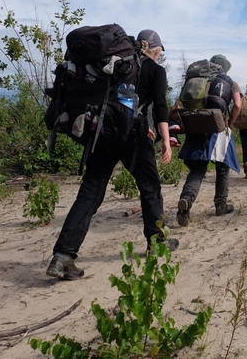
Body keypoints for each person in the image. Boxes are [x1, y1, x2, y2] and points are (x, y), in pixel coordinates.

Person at [46, 29, 177, 280]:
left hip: (101, 131)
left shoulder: (116, 65)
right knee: (149, 186)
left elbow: (116, 100)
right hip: (132, 135)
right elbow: (160, 105)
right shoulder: (154, 70)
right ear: (156, 49)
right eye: (160, 52)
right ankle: (156, 242)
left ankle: (63, 256)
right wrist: (166, 142)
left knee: (90, 192)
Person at [176, 54, 241, 225]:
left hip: (195, 124)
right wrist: (231, 122)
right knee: (223, 168)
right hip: (217, 126)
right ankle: (221, 205)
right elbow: (238, 104)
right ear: (225, 68)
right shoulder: (229, 81)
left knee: (197, 170)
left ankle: (186, 200)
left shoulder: (198, 79)